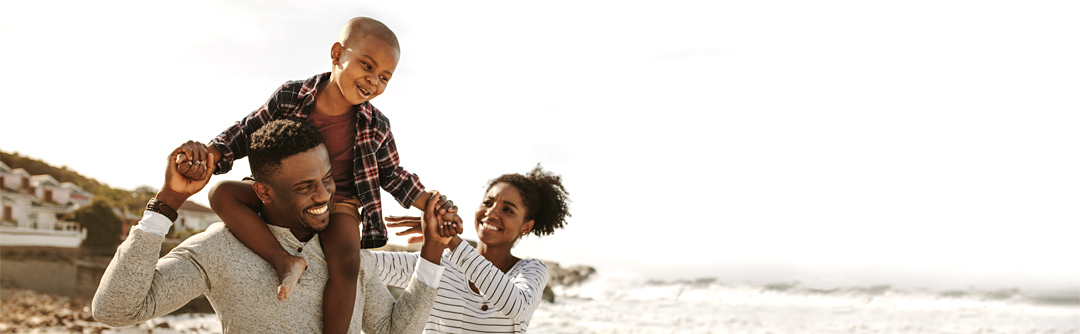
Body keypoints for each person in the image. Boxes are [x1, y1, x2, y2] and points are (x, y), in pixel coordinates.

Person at [174, 16, 463, 333]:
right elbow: (246, 131)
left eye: (384, 77)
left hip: (338, 204)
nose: (373, 81)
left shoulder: (376, 124)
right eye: (367, 66)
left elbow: (393, 175)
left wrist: (431, 203)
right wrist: (212, 153)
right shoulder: (291, 96)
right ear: (337, 53)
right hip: (285, 196)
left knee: (348, 261)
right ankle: (283, 260)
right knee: (221, 194)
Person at [93, 120, 452, 333]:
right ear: (263, 191)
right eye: (304, 187)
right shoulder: (221, 248)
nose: (324, 195)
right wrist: (168, 202)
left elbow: (392, 330)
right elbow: (115, 310)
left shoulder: (346, 254)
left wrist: (432, 252)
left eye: (327, 179)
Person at [371, 165, 571, 333]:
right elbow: (363, 265)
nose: (491, 213)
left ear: (526, 226)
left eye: (508, 209)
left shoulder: (531, 270)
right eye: (488, 203)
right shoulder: (435, 262)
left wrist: (450, 239)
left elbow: (517, 306)